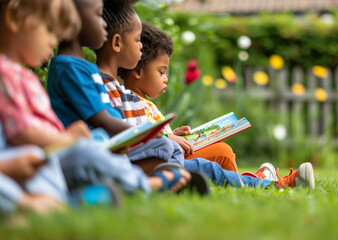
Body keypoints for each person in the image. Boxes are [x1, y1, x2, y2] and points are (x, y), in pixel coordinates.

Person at [93, 0, 314, 191]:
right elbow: (135, 135)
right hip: (155, 162)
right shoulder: (122, 96)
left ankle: (253, 181)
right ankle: (266, 183)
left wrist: (173, 134)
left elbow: (145, 133)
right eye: (161, 72)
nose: (166, 78)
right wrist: (168, 138)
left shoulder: (130, 97)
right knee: (218, 158)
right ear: (138, 71)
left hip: (164, 156)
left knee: (222, 152)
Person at [0, 0, 194, 209]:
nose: (53, 39)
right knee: (87, 151)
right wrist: (67, 139)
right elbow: (23, 133)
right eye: (49, 28)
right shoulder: (9, 75)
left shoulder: (23, 77)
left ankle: (80, 199)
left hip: (54, 153)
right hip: (46, 154)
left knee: (97, 145)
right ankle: (144, 184)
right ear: (14, 17)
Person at [46, 0, 185, 174]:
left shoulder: (82, 67)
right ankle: (147, 178)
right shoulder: (69, 68)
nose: (104, 23)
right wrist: (142, 133)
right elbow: (102, 120)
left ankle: (171, 176)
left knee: (170, 146)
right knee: (163, 145)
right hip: (97, 147)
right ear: (75, 20)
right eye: (98, 15)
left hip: (111, 142)